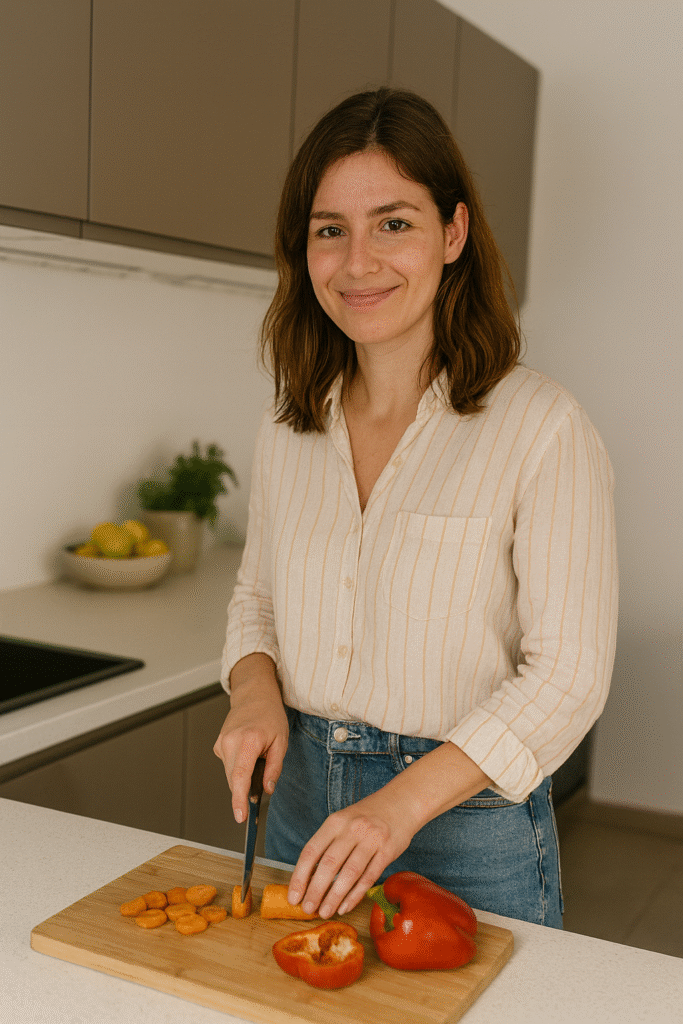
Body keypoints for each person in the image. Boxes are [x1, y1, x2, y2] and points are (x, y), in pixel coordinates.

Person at [214, 87, 618, 929]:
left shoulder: (540, 426)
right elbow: (257, 602)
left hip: (465, 826)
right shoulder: (288, 421)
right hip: (297, 810)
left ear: (453, 234)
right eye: (331, 229)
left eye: (392, 222)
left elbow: (567, 676)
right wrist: (254, 694)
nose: (357, 261)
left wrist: (398, 806)